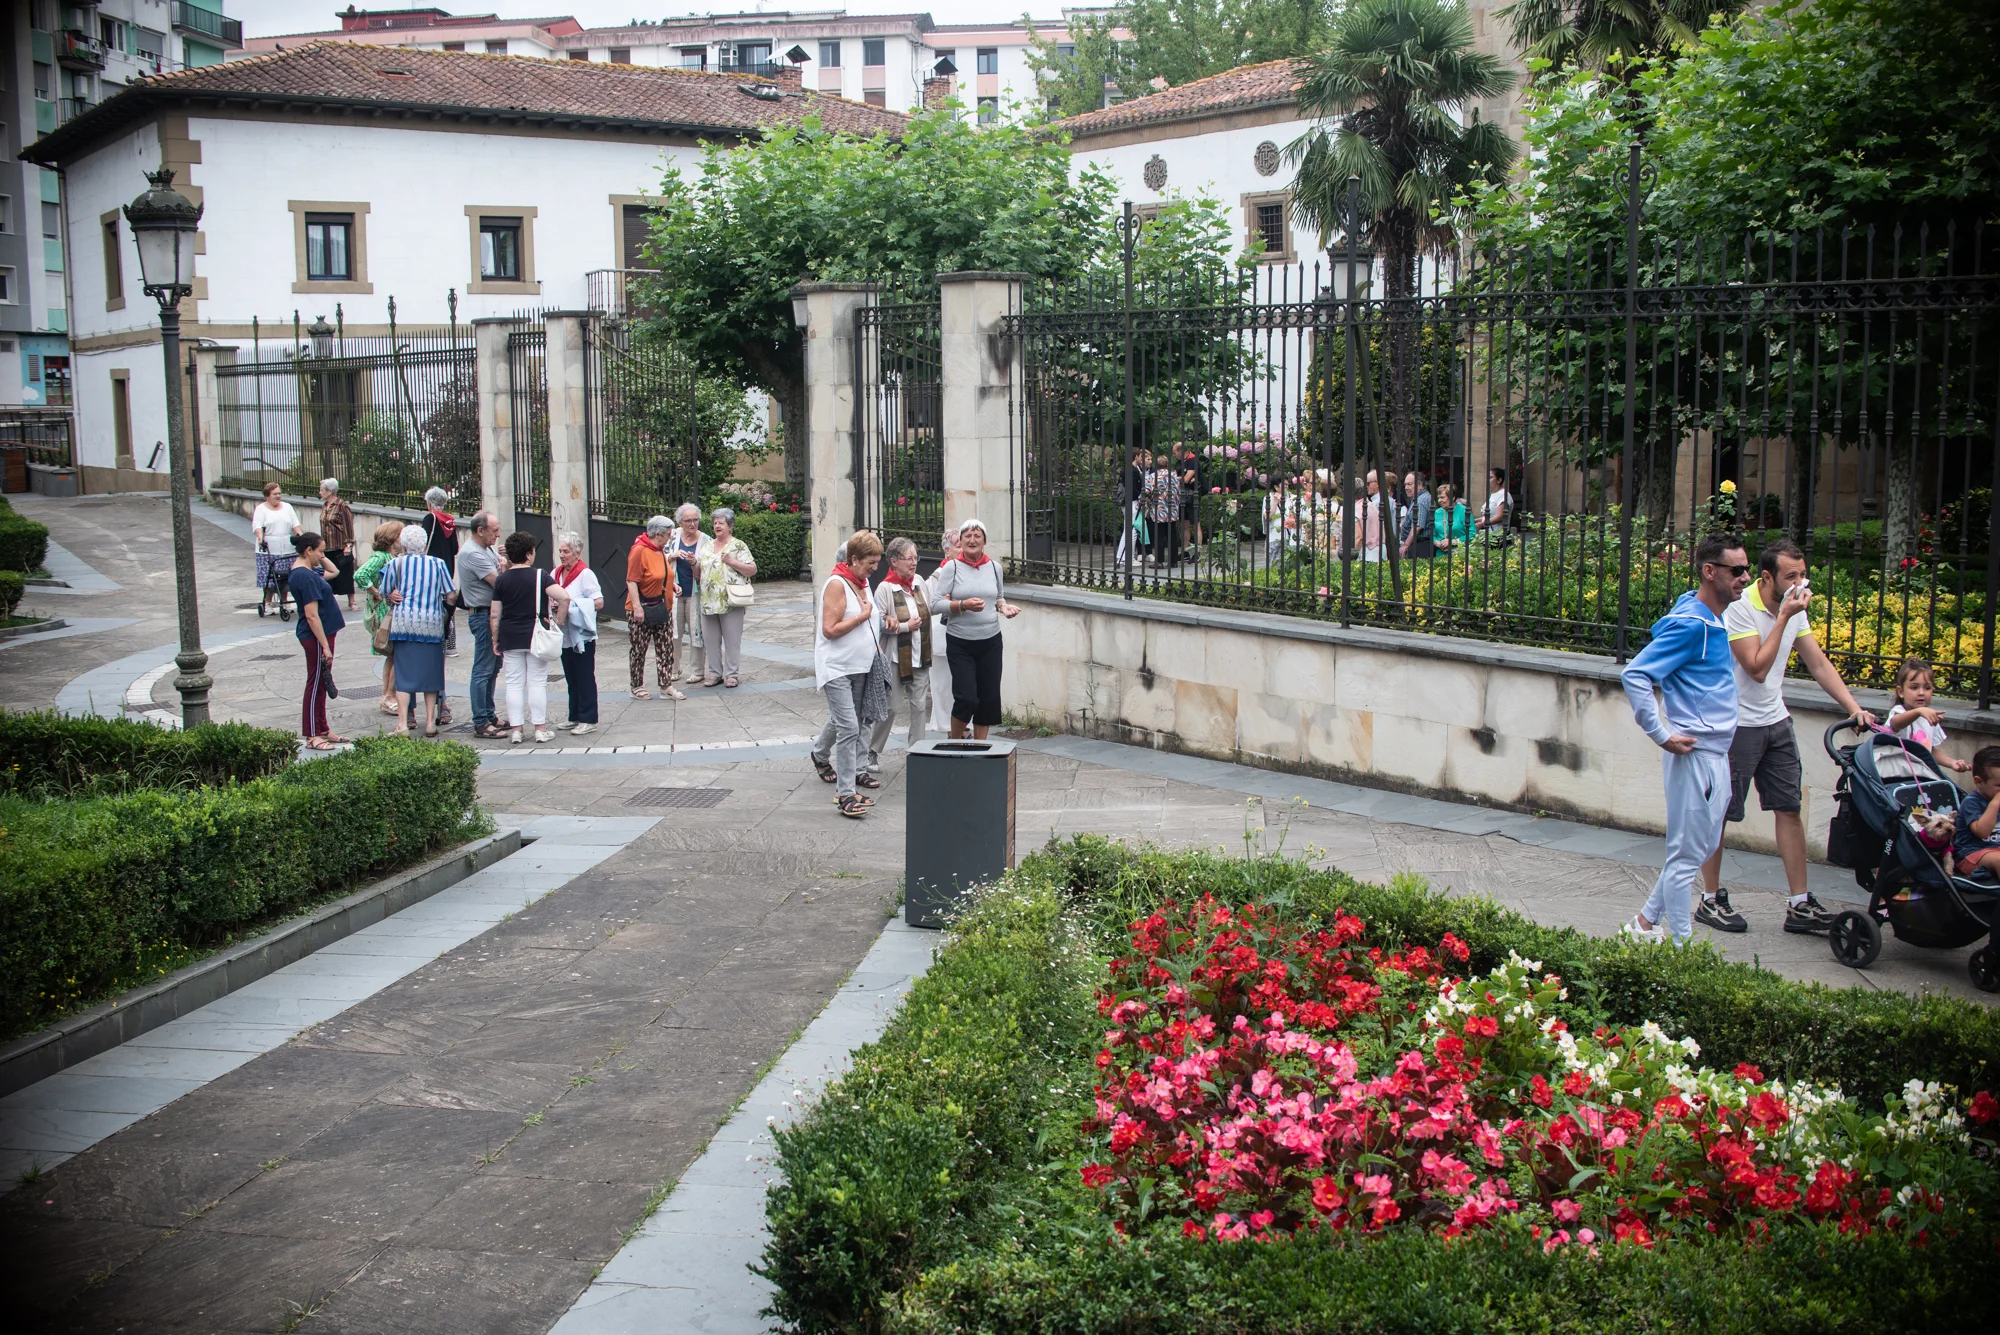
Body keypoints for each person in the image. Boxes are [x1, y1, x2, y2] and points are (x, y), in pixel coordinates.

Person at [1696, 538, 1876, 935]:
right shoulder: (1741, 608)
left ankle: (1799, 904)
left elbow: (1818, 663)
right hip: (1737, 725)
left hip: (1776, 721)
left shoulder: (1793, 609)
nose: (1801, 582)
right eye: (1791, 576)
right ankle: (1710, 899)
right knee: (1719, 814)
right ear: (1767, 577)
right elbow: (1757, 668)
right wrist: (1783, 618)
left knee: (1789, 809)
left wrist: (1852, 707)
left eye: (1803, 574)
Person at [1620, 533, 1750, 944]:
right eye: (1737, 570)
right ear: (1710, 572)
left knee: (1698, 848)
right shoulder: (1693, 624)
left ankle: (1644, 923)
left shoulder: (1709, 618)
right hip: (1696, 755)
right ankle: (1681, 950)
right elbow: (1635, 674)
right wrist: (1661, 734)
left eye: (1747, 569)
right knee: (1685, 856)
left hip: (1715, 755)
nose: (1745, 578)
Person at [815, 530, 889, 818]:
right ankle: (845, 794)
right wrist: (861, 617)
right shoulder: (837, 584)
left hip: (861, 666)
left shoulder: (862, 581)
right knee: (848, 728)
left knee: (855, 726)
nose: (875, 568)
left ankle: (847, 789)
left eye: (877, 561)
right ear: (854, 559)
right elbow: (829, 630)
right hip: (838, 669)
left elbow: (871, 621)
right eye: (871, 562)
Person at [933, 517, 1020, 740]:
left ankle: (980, 749)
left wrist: (1004, 608)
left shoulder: (994, 567)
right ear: (961, 541)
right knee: (967, 698)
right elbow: (934, 605)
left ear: (984, 541)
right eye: (967, 536)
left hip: (990, 642)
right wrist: (962, 605)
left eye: (977, 536)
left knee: (988, 699)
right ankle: (954, 741)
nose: (972, 540)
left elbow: (998, 597)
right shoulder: (952, 568)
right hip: (960, 642)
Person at [869, 537, 940, 773]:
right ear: (894, 561)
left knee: (919, 708)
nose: (914, 563)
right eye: (909, 558)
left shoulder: (918, 582)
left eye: (915, 558)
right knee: (890, 708)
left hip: (921, 656)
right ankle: (872, 751)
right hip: (896, 659)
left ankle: (917, 752)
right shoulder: (885, 588)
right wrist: (903, 626)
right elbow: (877, 622)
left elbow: (931, 606)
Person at [492, 531, 570, 745]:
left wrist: (495, 639)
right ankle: (539, 729)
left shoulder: (501, 579)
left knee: (513, 684)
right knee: (537, 683)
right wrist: (557, 622)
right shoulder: (540, 576)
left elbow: (495, 614)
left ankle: (516, 730)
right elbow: (564, 597)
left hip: (510, 636)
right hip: (536, 635)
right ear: (529, 554)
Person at [379, 523, 453, 737]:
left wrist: (392, 595)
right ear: (424, 545)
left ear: (403, 545)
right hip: (432, 625)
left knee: (403, 675)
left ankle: (402, 725)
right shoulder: (438, 564)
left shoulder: (395, 564)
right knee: (432, 674)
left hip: (404, 625)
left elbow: (384, 592)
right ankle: (430, 723)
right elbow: (450, 594)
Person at [286, 531, 348, 749]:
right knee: (315, 684)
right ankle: (312, 734)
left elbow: (334, 571)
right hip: (316, 637)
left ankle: (322, 729)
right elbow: (312, 615)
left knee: (322, 682)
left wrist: (319, 556)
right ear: (308, 550)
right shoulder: (305, 576)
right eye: (320, 551)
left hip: (322, 634)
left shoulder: (308, 572)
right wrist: (324, 646)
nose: (323, 555)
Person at [624, 515, 685, 701]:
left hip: (662, 606)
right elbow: (631, 580)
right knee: (639, 649)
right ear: (658, 534)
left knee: (666, 647)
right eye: (668, 534)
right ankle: (636, 686)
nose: (670, 538)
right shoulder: (639, 551)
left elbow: (661, 574)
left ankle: (666, 686)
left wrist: (672, 585)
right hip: (642, 608)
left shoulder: (659, 550)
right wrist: (637, 608)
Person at [696, 507, 757, 688]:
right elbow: (698, 572)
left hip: (730, 600)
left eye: (721, 523)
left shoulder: (738, 545)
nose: (717, 526)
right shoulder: (707, 546)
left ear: (730, 526)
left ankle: (732, 675)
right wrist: (693, 563)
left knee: (732, 640)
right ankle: (715, 673)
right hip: (708, 600)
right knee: (710, 641)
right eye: (715, 523)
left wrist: (731, 561)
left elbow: (752, 569)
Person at [456, 511, 504, 736]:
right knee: (483, 668)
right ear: (480, 530)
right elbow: (499, 582)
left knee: (493, 668)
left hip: (490, 613)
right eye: (494, 530)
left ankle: (489, 714)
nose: (498, 534)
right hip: (483, 615)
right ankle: (481, 721)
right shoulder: (472, 553)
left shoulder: (486, 549)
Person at [554, 531, 604, 736]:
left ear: (577, 552)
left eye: (566, 551)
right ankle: (574, 715)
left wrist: (571, 605)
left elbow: (598, 602)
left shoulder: (585, 574)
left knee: (584, 676)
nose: (562, 555)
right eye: (560, 551)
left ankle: (588, 718)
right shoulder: (556, 573)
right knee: (571, 676)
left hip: (581, 634)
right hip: (564, 633)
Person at [354, 519, 404, 716]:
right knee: (394, 653)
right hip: (384, 611)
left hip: (386, 609)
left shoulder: (389, 556)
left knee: (392, 655)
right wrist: (377, 592)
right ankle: (388, 696)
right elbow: (360, 575)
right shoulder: (381, 557)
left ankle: (387, 696)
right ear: (392, 539)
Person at [1888, 656, 1972, 773]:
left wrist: (1952, 763)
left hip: (1921, 775)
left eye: (1927, 688)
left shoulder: (1928, 716)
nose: (1921, 693)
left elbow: (1928, 750)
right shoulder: (1899, 711)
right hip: (1897, 775)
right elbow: (1896, 723)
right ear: (1901, 692)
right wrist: (1918, 711)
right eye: (1914, 687)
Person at [927, 525, 960, 735]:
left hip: (962, 635)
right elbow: (930, 605)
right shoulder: (937, 577)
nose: (964, 549)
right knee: (942, 686)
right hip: (942, 638)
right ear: (947, 550)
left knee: (960, 686)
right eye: (959, 546)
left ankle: (960, 727)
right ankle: (949, 729)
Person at [251, 482, 300, 620]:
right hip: (269, 548)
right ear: (267, 496)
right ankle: (267, 603)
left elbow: (296, 525)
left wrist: (301, 536)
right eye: (275, 494)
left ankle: (284, 602)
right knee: (270, 578)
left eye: (279, 493)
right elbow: (257, 526)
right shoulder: (261, 509)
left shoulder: (287, 507)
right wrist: (260, 538)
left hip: (287, 547)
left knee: (285, 577)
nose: (278, 496)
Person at [421, 487, 461, 655]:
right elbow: (455, 548)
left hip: (431, 569)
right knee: (448, 605)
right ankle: (451, 645)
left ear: (430, 503)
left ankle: (435, 641)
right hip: (447, 569)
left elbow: (423, 542)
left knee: (432, 604)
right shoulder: (450, 521)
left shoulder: (430, 518)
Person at [670, 502, 706, 682]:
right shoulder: (672, 536)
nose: (692, 524)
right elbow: (658, 556)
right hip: (674, 592)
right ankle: (673, 669)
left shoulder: (705, 540)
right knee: (673, 632)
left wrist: (694, 562)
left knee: (696, 631)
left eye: (695, 520)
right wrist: (672, 555)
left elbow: (708, 566)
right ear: (680, 522)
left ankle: (697, 671)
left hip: (695, 593)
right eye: (688, 521)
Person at [1952, 746, 2000, 877]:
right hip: (1972, 854)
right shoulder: (1972, 802)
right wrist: (1995, 804)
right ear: (1979, 782)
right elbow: (1982, 832)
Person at [318, 479, 358, 613]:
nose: (320, 492)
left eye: (322, 490)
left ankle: (352, 601)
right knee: (329, 574)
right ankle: (330, 601)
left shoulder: (342, 506)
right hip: (327, 545)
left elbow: (348, 525)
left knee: (345, 574)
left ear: (330, 491)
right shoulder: (325, 505)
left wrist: (349, 544)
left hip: (340, 545)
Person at [1140, 451, 1182, 568]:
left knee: (1159, 536)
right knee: (1172, 536)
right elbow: (1178, 492)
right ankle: (1173, 561)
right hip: (1172, 510)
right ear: (1167, 464)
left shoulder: (1153, 476)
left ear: (1157, 465)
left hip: (1158, 510)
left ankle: (1159, 561)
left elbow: (1147, 491)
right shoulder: (1174, 476)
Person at [1399, 472, 1435, 561]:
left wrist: (1405, 545)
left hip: (1421, 547)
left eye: (1409, 484)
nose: (1406, 487)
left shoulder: (1420, 501)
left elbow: (1417, 527)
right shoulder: (1420, 498)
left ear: (1419, 485)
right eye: (1405, 484)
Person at [1432, 481, 1473, 553]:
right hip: (1441, 554)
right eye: (1438, 498)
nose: (1439, 500)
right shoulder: (1437, 512)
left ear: (1453, 497)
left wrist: (1453, 542)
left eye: (1442, 497)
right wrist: (1437, 543)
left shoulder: (1464, 511)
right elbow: (1432, 535)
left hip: (1460, 553)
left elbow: (1472, 534)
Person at [1477, 466, 1512, 534]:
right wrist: (1473, 521)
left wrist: (1482, 524)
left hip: (1498, 534)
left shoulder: (1503, 494)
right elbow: (1488, 517)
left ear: (1499, 480)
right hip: (1488, 534)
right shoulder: (1492, 495)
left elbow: (1500, 516)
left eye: (1490, 477)